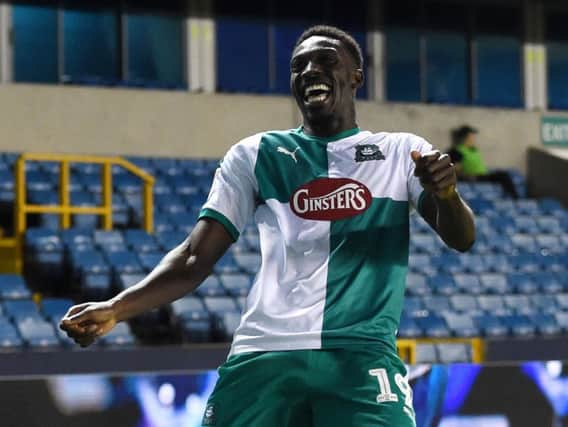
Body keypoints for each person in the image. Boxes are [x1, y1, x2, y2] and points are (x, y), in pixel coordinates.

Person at [60, 25, 475, 426]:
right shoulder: (255, 154)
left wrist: (446, 194)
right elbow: (193, 258)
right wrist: (117, 308)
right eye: (299, 66)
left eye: (325, 61)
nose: (310, 70)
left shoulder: (403, 152)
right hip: (264, 353)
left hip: (359, 354)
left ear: (356, 76)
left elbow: (461, 237)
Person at [448, 125, 519, 199]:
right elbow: (455, 168)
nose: (474, 138)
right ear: (465, 137)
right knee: (503, 175)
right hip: (474, 177)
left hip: (482, 175)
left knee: (503, 174)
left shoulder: (473, 150)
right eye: (471, 136)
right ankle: (515, 198)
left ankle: (512, 198)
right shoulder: (457, 151)